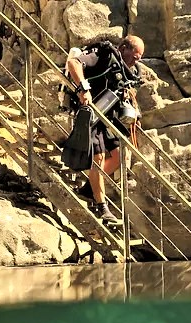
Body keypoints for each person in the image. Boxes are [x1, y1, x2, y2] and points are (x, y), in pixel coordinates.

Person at [66, 35, 145, 222]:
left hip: (107, 115)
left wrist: (135, 116)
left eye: (139, 58)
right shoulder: (103, 56)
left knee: (120, 155)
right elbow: (73, 63)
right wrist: (83, 89)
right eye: (134, 56)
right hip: (90, 113)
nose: (135, 61)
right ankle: (102, 207)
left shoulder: (128, 72)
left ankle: (88, 189)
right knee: (98, 158)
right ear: (124, 48)